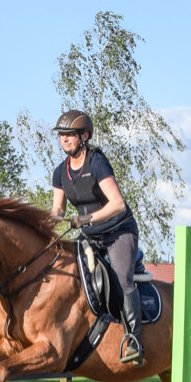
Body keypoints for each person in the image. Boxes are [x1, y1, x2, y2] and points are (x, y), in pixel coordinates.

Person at [50, 110, 145, 365]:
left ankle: (134, 340)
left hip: (118, 232)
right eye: (61, 135)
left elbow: (118, 204)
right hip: (90, 236)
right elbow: (58, 209)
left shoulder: (97, 163)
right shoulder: (60, 172)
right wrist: (47, 221)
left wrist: (86, 219)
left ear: (84, 136)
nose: (64, 139)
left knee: (122, 278)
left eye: (70, 134)